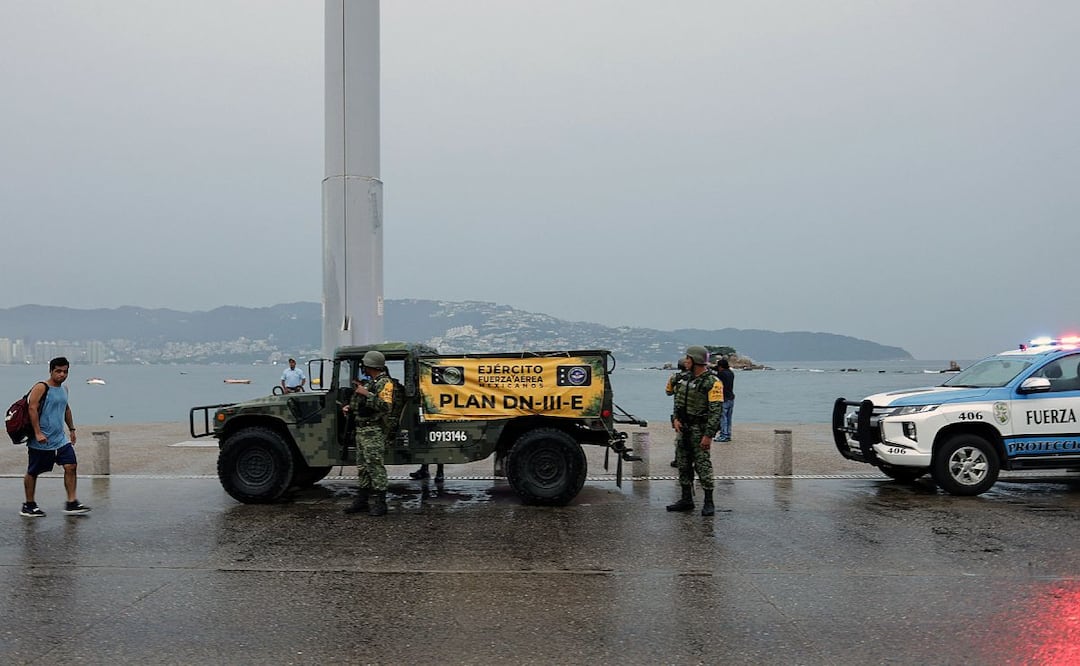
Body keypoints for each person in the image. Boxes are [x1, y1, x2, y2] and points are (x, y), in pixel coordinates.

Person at [21, 357, 91, 517]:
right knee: (33, 471)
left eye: (65, 371)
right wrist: (38, 433)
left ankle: (72, 502)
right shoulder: (41, 387)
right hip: (42, 439)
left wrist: (72, 429)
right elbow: (32, 409)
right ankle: (29, 505)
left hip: (60, 439)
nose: (62, 375)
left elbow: (66, 408)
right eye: (58, 371)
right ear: (51, 371)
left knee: (71, 466)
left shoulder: (64, 389)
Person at [667, 345, 723, 517]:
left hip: (700, 429)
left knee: (703, 465)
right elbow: (677, 401)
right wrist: (676, 419)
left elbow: (716, 411)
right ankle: (686, 499)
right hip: (684, 429)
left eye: (688, 358)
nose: (685, 361)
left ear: (696, 360)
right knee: (683, 464)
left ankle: (708, 501)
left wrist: (708, 435)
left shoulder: (712, 382)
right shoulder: (684, 379)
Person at [342, 350, 398, 516]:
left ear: (371, 366)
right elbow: (361, 404)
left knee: (375, 466)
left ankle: (381, 503)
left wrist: (368, 394)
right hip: (362, 430)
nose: (363, 368)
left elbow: (386, 407)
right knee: (363, 467)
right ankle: (362, 500)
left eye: (365, 365)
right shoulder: (370, 382)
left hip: (373, 431)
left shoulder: (385, 383)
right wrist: (350, 407)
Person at [666, 357, 691, 468]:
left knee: (680, 436)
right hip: (693, 410)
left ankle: (678, 459)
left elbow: (668, 392)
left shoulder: (675, 378)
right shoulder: (695, 377)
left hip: (679, 410)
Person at [714, 358, 735, 442]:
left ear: (720, 367)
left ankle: (724, 435)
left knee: (723, 417)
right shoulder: (731, 373)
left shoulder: (721, 374)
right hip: (731, 397)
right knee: (729, 418)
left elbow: (715, 380)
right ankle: (728, 434)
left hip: (724, 398)